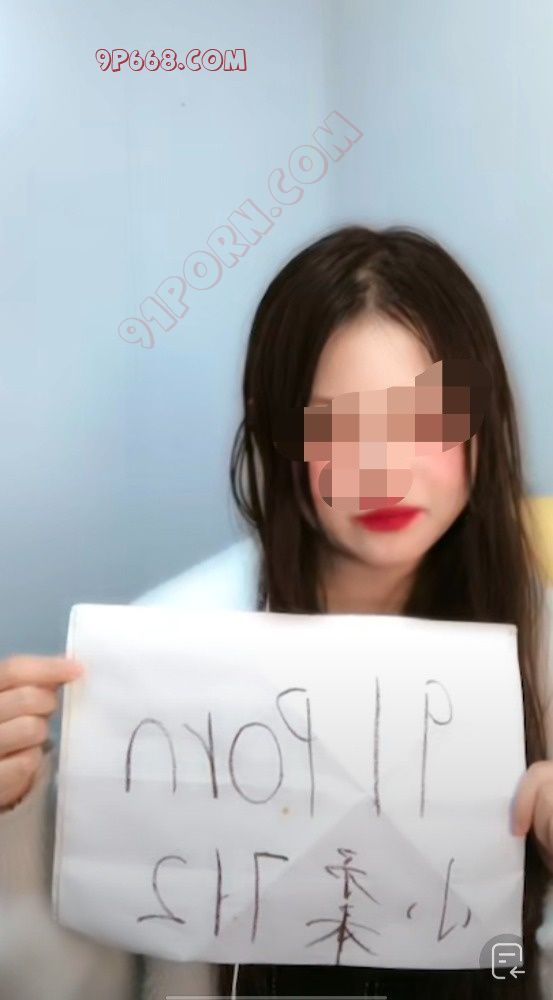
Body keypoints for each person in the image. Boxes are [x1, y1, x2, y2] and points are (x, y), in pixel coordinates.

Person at [1, 224, 553, 1000]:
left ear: (480, 422)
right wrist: (15, 822)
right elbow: (77, 960)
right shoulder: (175, 647)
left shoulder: (539, 646)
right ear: (280, 436)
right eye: (339, 427)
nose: (384, 471)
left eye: (425, 421)